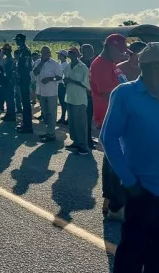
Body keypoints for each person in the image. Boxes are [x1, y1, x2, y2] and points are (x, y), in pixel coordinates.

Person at [100, 42, 159, 273]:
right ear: (155, 67)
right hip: (142, 187)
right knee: (133, 249)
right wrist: (129, 180)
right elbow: (108, 138)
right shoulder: (125, 94)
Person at [91, 33, 129, 221]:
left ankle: (111, 201)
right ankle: (115, 206)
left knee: (113, 162)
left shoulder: (112, 65)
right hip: (110, 118)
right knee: (115, 164)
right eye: (120, 50)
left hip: (119, 118)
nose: (122, 54)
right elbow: (109, 94)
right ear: (111, 47)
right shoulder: (100, 65)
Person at [63, 47, 90, 155]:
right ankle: (76, 142)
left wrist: (72, 81)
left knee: (81, 124)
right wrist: (65, 80)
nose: (71, 55)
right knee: (72, 123)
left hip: (79, 100)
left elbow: (86, 85)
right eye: (70, 53)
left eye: (73, 53)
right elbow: (64, 79)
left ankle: (83, 146)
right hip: (70, 97)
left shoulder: (83, 67)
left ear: (77, 55)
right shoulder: (68, 66)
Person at [32, 46, 63, 142]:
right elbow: (35, 73)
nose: (46, 54)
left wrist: (50, 79)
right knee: (45, 114)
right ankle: (48, 131)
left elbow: (60, 77)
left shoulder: (55, 64)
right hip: (41, 92)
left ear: (50, 53)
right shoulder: (38, 62)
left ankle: (51, 134)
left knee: (51, 113)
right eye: (44, 53)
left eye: (48, 52)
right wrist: (41, 62)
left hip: (51, 92)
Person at [14, 34, 34, 133]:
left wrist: (20, 75)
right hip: (22, 78)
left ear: (21, 40)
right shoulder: (22, 50)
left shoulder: (25, 51)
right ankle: (25, 122)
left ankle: (28, 125)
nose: (16, 42)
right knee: (24, 102)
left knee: (26, 103)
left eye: (17, 40)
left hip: (24, 78)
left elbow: (27, 66)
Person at [80, 44, 97, 148]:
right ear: (83, 52)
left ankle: (88, 137)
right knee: (84, 118)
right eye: (90, 51)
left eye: (92, 50)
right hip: (82, 95)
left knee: (89, 118)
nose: (92, 52)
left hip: (91, 94)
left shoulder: (92, 62)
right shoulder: (79, 63)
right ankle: (85, 140)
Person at [0, 44, 17, 122]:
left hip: (10, 81)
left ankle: (12, 115)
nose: (3, 51)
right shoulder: (4, 59)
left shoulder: (12, 60)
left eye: (5, 50)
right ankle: (8, 113)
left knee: (10, 99)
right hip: (5, 80)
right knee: (7, 98)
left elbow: (13, 71)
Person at [56, 50, 69, 125]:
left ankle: (65, 118)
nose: (58, 55)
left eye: (59, 54)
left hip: (62, 85)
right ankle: (63, 117)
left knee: (64, 102)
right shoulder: (60, 64)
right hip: (59, 84)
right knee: (62, 102)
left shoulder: (65, 65)